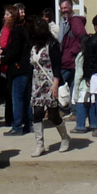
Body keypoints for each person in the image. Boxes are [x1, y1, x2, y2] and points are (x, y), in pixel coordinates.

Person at [28, 15, 70, 156]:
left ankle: (65, 137)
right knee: (37, 113)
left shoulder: (52, 44)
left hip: (51, 81)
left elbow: (57, 65)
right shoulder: (33, 46)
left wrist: (56, 85)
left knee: (53, 114)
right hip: (37, 83)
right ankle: (39, 144)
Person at [0, 5, 33, 136]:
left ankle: (17, 126)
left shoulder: (16, 31)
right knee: (25, 98)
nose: (5, 17)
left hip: (18, 68)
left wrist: (2, 60)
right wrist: (5, 51)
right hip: (26, 68)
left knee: (17, 99)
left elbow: (15, 51)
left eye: (7, 15)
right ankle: (28, 124)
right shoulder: (24, 29)